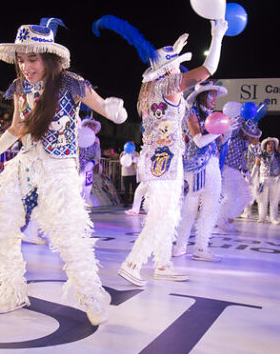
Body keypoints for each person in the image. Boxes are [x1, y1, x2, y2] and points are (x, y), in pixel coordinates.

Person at [0, 18, 128, 325]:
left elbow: (107, 109)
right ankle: (11, 292)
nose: (26, 66)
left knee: (69, 237)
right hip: (24, 166)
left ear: (49, 58)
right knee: (2, 228)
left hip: (59, 169)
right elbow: (16, 127)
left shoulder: (70, 83)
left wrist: (118, 111)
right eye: (21, 60)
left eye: (33, 59)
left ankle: (91, 297)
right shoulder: (20, 87)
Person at [94, 15, 229, 285]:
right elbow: (209, 68)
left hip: (158, 156)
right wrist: (218, 36)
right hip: (166, 160)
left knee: (170, 209)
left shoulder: (148, 88)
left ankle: (163, 263)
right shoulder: (170, 84)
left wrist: (172, 55)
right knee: (163, 212)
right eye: (178, 65)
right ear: (169, 70)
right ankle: (133, 263)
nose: (181, 69)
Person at [173, 81, 229, 261]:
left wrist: (226, 133)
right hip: (197, 167)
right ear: (202, 96)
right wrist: (220, 130)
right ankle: (186, 247)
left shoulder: (212, 116)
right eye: (211, 95)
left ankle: (198, 247)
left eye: (215, 95)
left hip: (210, 164)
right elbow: (198, 141)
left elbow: (216, 142)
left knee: (209, 207)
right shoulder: (193, 113)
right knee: (192, 208)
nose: (214, 99)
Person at [216, 118, 257, 231]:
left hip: (235, 170)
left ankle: (229, 218)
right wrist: (242, 117)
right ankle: (218, 221)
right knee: (231, 197)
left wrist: (246, 172)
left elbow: (241, 158)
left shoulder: (244, 142)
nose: (249, 136)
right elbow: (232, 125)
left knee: (247, 195)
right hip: (225, 168)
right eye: (247, 133)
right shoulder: (233, 134)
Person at [255, 137, 280, 224]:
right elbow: (256, 166)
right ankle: (262, 217)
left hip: (274, 179)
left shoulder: (278, 154)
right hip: (263, 179)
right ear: (265, 145)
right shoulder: (261, 154)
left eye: (272, 144)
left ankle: (273, 218)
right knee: (262, 199)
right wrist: (252, 177)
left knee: (274, 200)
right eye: (269, 144)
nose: (271, 145)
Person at [78, 117, 101, 204]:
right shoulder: (79, 136)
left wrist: (93, 162)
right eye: (90, 125)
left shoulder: (96, 140)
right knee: (76, 187)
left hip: (89, 169)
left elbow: (98, 154)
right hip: (77, 167)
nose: (92, 127)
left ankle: (83, 208)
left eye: (93, 126)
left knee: (87, 188)